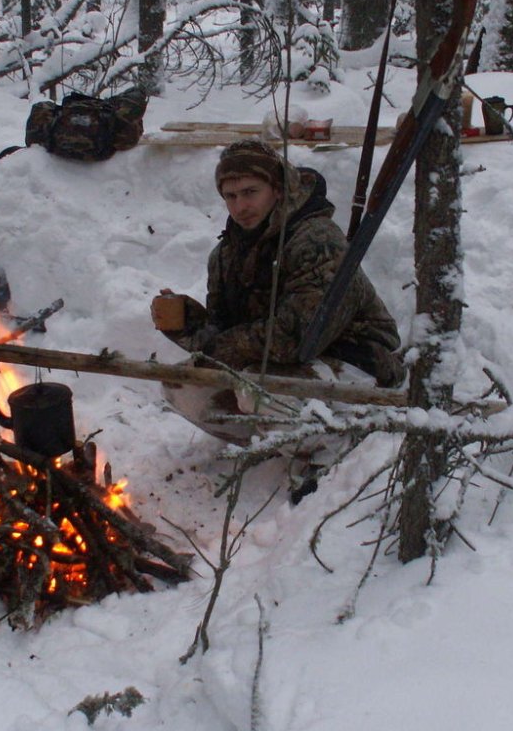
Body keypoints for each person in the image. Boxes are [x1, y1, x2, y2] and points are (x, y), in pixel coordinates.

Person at [151, 140, 403, 486]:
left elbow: (296, 340)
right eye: (231, 196)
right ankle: (282, 438)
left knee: (258, 387)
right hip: (292, 367)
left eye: (251, 191)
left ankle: (334, 451)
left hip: (357, 362)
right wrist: (191, 326)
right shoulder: (225, 255)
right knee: (183, 383)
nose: (241, 206)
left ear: (278, 187)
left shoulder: (315, 240)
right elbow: (229, 338)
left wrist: (225, 346)